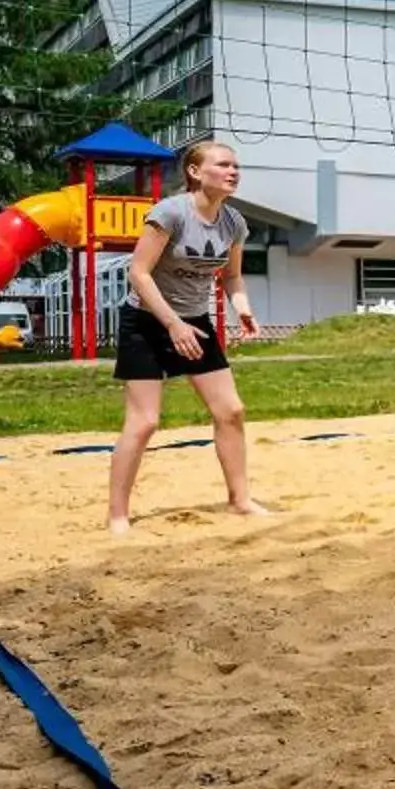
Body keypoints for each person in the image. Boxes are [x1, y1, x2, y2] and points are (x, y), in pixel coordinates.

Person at [108, 137, 267, 535]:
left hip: (194, 322)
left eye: (236, 166)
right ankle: (117, 515)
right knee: (144, 422)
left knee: (231, 411)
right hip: (146, 320)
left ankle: (240, 500)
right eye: (223, 165)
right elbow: (139, 273)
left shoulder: (234, 222)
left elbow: (231, 276)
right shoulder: (171, 212)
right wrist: (172, 324)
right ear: (195, 172)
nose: (233, 171)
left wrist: (242, 308)